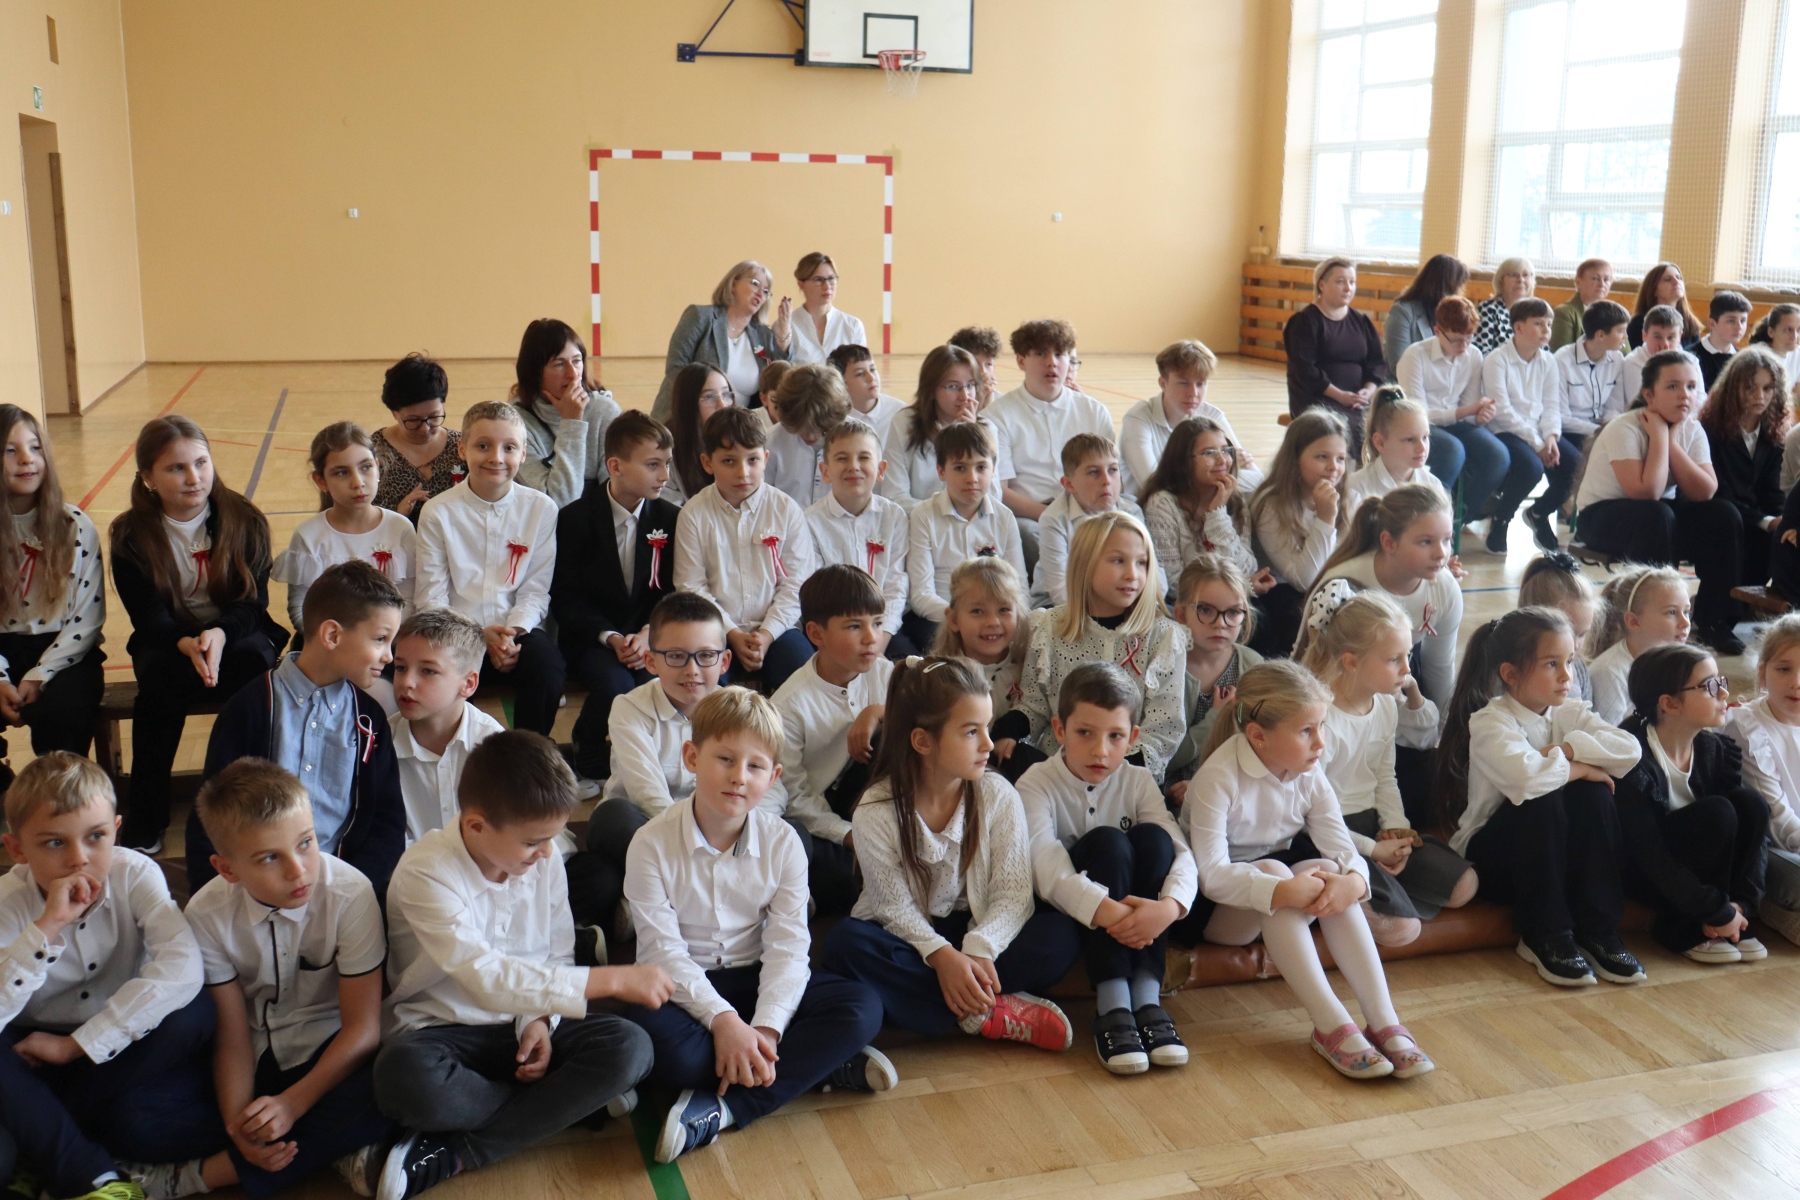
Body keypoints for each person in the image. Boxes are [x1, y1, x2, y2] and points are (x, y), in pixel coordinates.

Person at [374, 731, 670, 1196]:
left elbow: (556, 951)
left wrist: (538, 1021)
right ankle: (558, 1107)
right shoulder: (425, 872)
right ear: (476, 826)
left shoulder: (542, 859)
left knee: (632, 1047)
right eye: (534, 841)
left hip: (518, 1024)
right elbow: (486, 977)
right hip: (440, 1033)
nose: (548, 852)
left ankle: (460, 1150)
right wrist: (611, 979)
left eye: (551, 838)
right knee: (402, 1078)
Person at [624, 687, 890, 1163]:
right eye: (725, 759)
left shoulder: (784, 843)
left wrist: (765, 1031)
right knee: (657, 1047)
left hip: (755, 978)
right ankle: (814, 1066)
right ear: (692, 757)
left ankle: (726, 1107)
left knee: (862, 1008)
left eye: (755, 766)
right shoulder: (649, 843)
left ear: (774, 776)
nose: (738, 777)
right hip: (684, 989)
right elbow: (662, 954)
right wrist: (724, 1021)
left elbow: (788, 948)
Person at [1184, 660, 1432, 1080]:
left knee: (1325, 868)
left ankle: (1383, 1020)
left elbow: (1341, 847)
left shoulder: (1309, 773)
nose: (1321, 742)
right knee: (1273, 871)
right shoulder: (1218, 778)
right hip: (1218, 912)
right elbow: (1212, 875)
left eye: (1322, 726)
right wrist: (1280, 891)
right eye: (1306, 731)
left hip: (1280, 892)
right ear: (1258, 736)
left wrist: (1353, 880)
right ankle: (1330, 1024)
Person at [820, 657, 1081, 1051]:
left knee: (1059, 937)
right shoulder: (875, 810)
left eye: (988, 727)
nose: (988, 744)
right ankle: (988, 1013)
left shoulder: (997, 794)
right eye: (971, 732)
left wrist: (979, 948)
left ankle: (938, 1007)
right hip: (910, 939)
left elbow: (1013, 896)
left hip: (977, 930)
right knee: (845, 944)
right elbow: (892, 908)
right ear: (923, 741)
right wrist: (941, 957)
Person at [0, 754, 211, 1200]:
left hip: (117, 1047)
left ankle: (44, 1139)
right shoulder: (6, 900)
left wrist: (75, 1046)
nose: (79, 859)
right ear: (16, 850)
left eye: (95, 837)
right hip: (27, 1053)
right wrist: (47, 926)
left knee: (196, 1012)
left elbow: (183, 967)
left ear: (116, 830)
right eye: (53, 843)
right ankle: (90, 1171)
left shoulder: (135, 872)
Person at [180, 759, 394, 1197]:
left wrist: (291, 1105)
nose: (298, 871)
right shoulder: (205, 914)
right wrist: (239, 1123)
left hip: (332, 1055)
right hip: (255, 1057)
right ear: (227, 869)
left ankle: (200, 1176)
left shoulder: (350, 894)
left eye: (306, 843)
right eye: (270, 858)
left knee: (396, 1086)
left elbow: (362, 1030)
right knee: (141, 1121)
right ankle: (331, 1147)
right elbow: (232, 1037)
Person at [1436, 608, 1643, 987]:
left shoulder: (1569, 712)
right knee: (1544, 799)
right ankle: (1544, 934)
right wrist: (1581, 766)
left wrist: (1567, 749)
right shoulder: (1490, 722)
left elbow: (1629, 750)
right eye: (1551, 664)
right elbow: (1527, 780)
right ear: (1511, 674)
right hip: (1496, 862)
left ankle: (1597, 929)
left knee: (1595, 794)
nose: (1566, 676)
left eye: (1569, 661)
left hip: (1553, 859)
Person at [109, 415, 285, 852]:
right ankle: (147, 815)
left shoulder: (243, 518)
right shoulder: (130, 535)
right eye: (176, 468)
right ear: (148, 478)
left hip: (236, 634)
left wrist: (220, 635)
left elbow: (252, 602)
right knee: (158, 686)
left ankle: (247, 804)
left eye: (201, 463)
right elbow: (146, 614)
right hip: (169, 639)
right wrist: (184, 642)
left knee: (254, 671)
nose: (194, 477)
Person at [189, 561, 407, 896]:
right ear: (332, 635)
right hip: (258, 893)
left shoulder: (370, 720)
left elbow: (387, 824)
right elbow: (210, 817)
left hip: (344, 893)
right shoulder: (249, 709)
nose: (389, 656)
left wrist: (355, 890)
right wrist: (217, 899)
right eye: (380, 639)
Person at [1018, 664, 1195, 1074]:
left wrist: (1167, 909)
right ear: (1059, 730)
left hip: (1141, 916)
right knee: (1109, 842)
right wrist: (1115, 915)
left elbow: (1180, 852)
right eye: (1085, 732)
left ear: (1132, 738)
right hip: (1071, 912)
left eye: (1115, 736)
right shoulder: (1035, 783)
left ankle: (1146, 998)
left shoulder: (1138, 780)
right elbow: (1045, 866)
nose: (1100, 751)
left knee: (1155, 838)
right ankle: (1113, 1004)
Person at [1300, 586, 1475, 947]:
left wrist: (1396, 830)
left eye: (1408, 655)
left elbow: (1384, 775)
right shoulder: (1322, 719)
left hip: (1372, 826)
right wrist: (1371, 849)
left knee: (1464, 886)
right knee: (1402, 932)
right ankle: (1350, 893)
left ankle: (1381, 888)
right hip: (1330, 835)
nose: (1408, 669)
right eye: (1394, 659)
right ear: (1351, 662)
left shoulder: (1384, 704)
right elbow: (1311, 815)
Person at [582, 591, 737, 935]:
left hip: (715, 832)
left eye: (706, 656)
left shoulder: (738, 710)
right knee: (613, 817)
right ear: (651, 662)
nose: (692, 670)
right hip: (646, 826)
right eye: (677, 656)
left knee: (785, 830)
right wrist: (697, 850)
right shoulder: (629, 708)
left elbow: (759, 786)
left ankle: (655, 904)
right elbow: (646, 793)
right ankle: (716, 899)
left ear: (724, 661)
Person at [1575, 352, 1744, 653]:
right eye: (1673, 386)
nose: (1684, 395)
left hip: (1657, 517)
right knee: (1657, 514)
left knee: (1724, 515)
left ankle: (1713, 621)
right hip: (1600, 517)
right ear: (1649, 395)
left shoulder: (1691, 429)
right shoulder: (1625, 427)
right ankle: (1655, 620)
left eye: (1691, 387)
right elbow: (1646, 491)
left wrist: (1672, 441)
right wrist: (1659, 437)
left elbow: (1705, 491)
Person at [416, 402, 566, 733]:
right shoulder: (438, 512)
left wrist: (510, 635)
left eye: (509, 448)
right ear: (462, 449)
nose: (496, 458)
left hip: (517, 633)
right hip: (455, 635)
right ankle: (457, 752)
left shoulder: (541, 509)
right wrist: (478, 635)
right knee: (439, 678)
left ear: (523, 454)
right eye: (483, 446)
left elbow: (535, 590)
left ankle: (527, 752)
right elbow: (431, 599)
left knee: (547, 667)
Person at [1615, 645, 1769, 964]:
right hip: (1646, 876)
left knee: (1751, 803)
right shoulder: (1631, 757)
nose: (1724, 692)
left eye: (1721, 681)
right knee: (1718, 812)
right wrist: (1714, 909)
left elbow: (1750, 831)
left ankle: (1733, 921)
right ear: (1669, 703)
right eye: (1709, 685)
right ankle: (1683, 928)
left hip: (1703, 882)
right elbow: (1648, 854)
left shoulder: (1715, 749)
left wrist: (1741, 905)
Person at [550, 410, 681, 784]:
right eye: (653, 464)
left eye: (667, 463)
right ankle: (587, 741)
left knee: (656, 679)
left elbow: (673, 590)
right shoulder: (575, 519)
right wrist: (611, 637)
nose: (665, 475)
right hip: (593, 639)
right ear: (615, 466)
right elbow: (565, 597)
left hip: (649, 635)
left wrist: (648, 633)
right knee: (615, 684)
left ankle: (650, 758)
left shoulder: (671, 519)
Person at [1016, 513, 1186, 781]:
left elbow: (1164, 727)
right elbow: (1034, 705)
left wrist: (1115, 773)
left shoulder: (1164, 637)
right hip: (1057, 777)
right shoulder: (1049, 627)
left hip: (1128, 779)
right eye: (1118, 561)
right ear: (1085, 563)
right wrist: (1010, 733)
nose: (1132, 574)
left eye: (1141, 563)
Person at [769, 567, 894, 916]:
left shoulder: (884, 672)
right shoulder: (788, 705)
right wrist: (849, 834)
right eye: (854, 627)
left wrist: (876, 712)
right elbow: (795, 796)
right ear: (815, 634)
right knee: (837, 876)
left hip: (876, 801)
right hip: (821, 815)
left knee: (895, 731)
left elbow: (934, 715)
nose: (871, 638)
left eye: (877, 623)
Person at [671, 407, 817, 692]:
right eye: (729, 461)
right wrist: (733, 633)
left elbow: (797, 584)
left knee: (804, 677)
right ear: (707, 463)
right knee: (701, 685)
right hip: (714, 630)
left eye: (752, 460)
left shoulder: (786, 510)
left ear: (766, 459)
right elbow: (691, 587)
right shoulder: (694, 514)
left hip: (778, 629)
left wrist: (767, 634)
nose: (743, 472)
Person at [0, 404, 105, 757]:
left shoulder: (74, 525)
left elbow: (87, 619)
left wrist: (41, 673)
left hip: (64, 650)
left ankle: (61, 785)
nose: (26, 459)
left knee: (64, 714)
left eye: (35, 447)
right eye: (10, 450)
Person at [1303, 484, 1462, 716]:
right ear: (1389, 543)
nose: (1441, 553)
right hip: (1342, 692)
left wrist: (1442, 726)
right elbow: (1310, 659)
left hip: (1397, 674)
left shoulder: (1445, 589)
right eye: (1426, 542)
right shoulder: (1343, 584)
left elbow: (1439, 668)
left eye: (1447, 540)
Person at [987, 319, 1115, 564]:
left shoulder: (1094, 411)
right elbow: (1000, 491)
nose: (1052, 362)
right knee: (1029, 534)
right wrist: (1054, 516)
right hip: (1032, 515)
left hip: (1089, 508)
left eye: (1060, 354)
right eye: (1040, 353)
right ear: (1021, 360)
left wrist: (1083, 514)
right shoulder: (997, 416)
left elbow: (1111, 475)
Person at [274, 421, 417, 637]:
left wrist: (379, 640)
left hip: (389, 641)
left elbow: (408, 600)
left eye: (366, 467)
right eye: (341, 472)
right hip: (329, 643)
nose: (357, 482)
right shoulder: (308, 535)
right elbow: (301, 607)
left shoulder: (400, 528)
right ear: (321, 481)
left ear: (377, 467)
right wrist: (338, 642)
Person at [388, 607, 505, 843]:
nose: (407, 682)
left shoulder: (497, 748)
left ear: (468, 684)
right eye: (400, 668)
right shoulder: (379, 744)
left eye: (428, 671)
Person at [904, 421, 1028, 642]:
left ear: (993, 470)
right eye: (960, 468)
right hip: (941, 619)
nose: (972, 478)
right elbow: (921, 595)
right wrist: (963, 620)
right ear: (941, 471)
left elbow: (1020, 588)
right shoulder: (923, 516)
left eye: (981, 467)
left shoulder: (1004, 517)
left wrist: (996, 618)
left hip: (995, 621)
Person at [1247, 408, 1350, 656]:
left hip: (1326, 588)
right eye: (1322, 457)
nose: (1333, 467)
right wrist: (1325, 518)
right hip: (1279, 594)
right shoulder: (1271, 503)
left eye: (1340, 459)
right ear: (1295, 458)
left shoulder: (1346, 496)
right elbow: (1303, 580)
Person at [1482, 297, 1581, 554]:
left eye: (1549, 324)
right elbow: (1503, 411)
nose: (1546, 330)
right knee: (1530, 467)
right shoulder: (1496, 360)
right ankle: (1501, 520)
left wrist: (1550, 438)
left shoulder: (1549, 361)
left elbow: (1551, 406)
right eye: (1538, 324)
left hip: (1539, 431)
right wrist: (1537, 444)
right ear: (1518, 327)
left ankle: (1539, 512)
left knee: (1576, 466)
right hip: (1505, 430)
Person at [1724, 615, 1800, 945]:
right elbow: (1779, 823)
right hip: (1776, 848)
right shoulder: (1748, 728)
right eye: (1784, 669)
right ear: (1762, 673)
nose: (1797, 682)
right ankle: (1768, 908)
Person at [806, 417, 911, 656]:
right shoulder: (810, 522)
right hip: (835, 629)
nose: (853, 466)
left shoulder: (894, 517)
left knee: (907, 665)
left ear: (881, 470)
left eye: (863, 458)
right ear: (825, 471)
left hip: (885, 628)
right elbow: (817, 592)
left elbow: (896, 586)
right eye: (842, 458)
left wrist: (879, 640)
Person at [1163, 556, 1264, 793]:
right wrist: (1215, 718)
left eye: (1233, 612)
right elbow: (1163, 758)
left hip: (1234, 789)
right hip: (1168, 792)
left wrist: (1209, 786)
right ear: (1181, 614)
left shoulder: (1252, 667)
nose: (1221, 623)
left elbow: (1262, 747)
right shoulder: (1166, 667)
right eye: (1206, 610)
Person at [652, 261, 794, 421]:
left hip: (734, 427)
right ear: (733, 284)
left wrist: (784, 332)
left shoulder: (762, 335)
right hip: (684, 419)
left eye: (766, 291)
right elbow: (675, 368)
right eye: (755, 284)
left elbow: (780, 379)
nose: (761, 294)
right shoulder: (700, 317)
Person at [1119, 340, 1262, 499]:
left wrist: (1241, 465)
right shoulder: (1138, 420)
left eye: (1200, 384)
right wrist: (1214, 476)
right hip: (1149, 508)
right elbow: (1153, 485)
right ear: (1163, 383)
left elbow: (1259, 481)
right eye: (1184, 383)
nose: (1193, 393)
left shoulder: (1212, 416)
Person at [1699, 347, 1788, 597]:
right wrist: (1767, 521)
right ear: (1733, 388)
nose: (1759, 396)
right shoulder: (1710, 429)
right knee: (1738, 527)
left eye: (1768, 388)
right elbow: (1719, 491)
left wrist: (1785, 520)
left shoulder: (1774, 431)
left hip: (1755, 515)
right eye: (1750, 388)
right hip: (1720, 515)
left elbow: (1772, 491)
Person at [1396, 296, 1499, 508]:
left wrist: (1480, 415)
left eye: (1469, 339)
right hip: (1420, 426)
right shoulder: (1415, 355)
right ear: (1437, 331)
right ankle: (1429, 511)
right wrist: (1468, 411)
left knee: (1497, 455)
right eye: (1456, 340)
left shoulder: (1473, 355)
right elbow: (1418, 414)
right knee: (1452, 450)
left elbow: (1469, 406)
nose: (1464, 346)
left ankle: (1459, 514)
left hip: (1455, 422)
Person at [1037, 433, 1162, 609]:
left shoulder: (1131, 512)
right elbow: (1059, 589)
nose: (1106, 481)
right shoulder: (1054, 520)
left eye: (1113, 470)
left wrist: (1147, 608)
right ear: (1069, 484)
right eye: (1094, 472)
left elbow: (1154, 572)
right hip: (1063, 605)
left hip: (1124, 601)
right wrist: (1106, 615)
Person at [1283, 257, 1389, 461]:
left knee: (1392, 421)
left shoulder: (1362, 322)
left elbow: (1376, 363)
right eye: (1340, 281)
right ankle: (1349, 474)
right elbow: (1305, 370)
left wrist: (1368, 391)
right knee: (1352, 425)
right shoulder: (1304, 322)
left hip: (1359, 400)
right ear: (1322, 285)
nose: (1348, 288)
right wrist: (1340, 396)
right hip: (1318, 399)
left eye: (1352, 282)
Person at [507, 318, 620, 508]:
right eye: (559, 364)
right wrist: (572, 423)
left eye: (577, 361)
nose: (573, 374)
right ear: (534, 372)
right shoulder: (515, 424)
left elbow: (615, 497)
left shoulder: (605, 413)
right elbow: (558, 502)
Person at [880, 344, 1006, 512]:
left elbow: (994, 498)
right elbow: (894, 497)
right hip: (918, 522)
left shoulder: (987, 429)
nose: (965, 396)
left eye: (970, 385)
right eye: (953, 387)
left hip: (970, 523)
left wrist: (971, 438)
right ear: (931, 390)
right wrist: (942, 515)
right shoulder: (905, 423)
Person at [933, 557, 1030, 775]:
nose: (993, 622)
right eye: (977, 611)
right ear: (953, 619)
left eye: (1004, 610)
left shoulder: (1028, 669)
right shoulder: (939, 675)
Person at [1586, 566, 1691, 726]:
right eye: (1671, 612)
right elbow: (1607, 736)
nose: (1685, 623)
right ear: (1634, 621)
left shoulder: (1677, 661)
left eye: (1686, 612)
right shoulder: (1610, 672)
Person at [372, 353, 462, 524]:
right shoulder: (374, 452)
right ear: (394, 413)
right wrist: (398, 516)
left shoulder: (463, 447)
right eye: (413, 420)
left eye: (434, 416)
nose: (425, 428)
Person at [1343, 389, 1452, 515]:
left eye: (1425, 437)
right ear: (1380, 443)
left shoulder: (1433, 485)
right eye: (1410, 439)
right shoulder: (1357, 487)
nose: (1422, 448)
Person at [763, 363, 850, 510]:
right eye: (800, 428)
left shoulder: (856, 438)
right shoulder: (771, 442)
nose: (809, 436)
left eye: (818, 429)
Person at [1517, 551, 1600, 704]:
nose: (1575, 645)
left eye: (1582, 635)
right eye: (1570, 633)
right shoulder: (1514, 676)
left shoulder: (1578, 669)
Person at [1553, 300, 1630, 443]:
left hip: (1603, 431)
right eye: (1620, 331)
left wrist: (1609, 428)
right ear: (1600, 335)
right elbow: (1561, 417)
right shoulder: (1562, 360)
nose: (1625, 336)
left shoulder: (1617, 359)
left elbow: (1614, 407)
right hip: (1571, 432)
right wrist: (1598, 431)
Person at [1382, 253, 1470, 373]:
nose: (1460, 293)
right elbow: (1399, 365)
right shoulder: (1402, 312)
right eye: (1459, 287)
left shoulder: (1451, 314)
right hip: (1409, 382)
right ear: (1446, 288)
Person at [663, 363, 735, 507]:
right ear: (688, 403)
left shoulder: (740, 437)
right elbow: (668, 508)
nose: (722, 405)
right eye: (709, 397)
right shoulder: (667, 448)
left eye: (726, 394)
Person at [787, 252, 867, 365]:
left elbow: (861, 369)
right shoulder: (788, 326)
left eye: (831, 279)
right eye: (818, 280)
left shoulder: (853, 326)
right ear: (801, 284)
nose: (827, 286)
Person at [1621, 304, 1698, 411]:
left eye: (1671, 337)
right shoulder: (1633, 363)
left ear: (1680, 337)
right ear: (1644, 336)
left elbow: (1700, 400)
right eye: (1657, 337)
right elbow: (1640, 406)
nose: (1664, 344)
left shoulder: (1691, 361)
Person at [825, 343, 905, 442]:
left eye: (872, 369)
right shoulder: (831, 418)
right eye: (860, 374)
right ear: (840, 382)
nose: (871, 378)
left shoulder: (899, 412)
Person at [1626, 262, 1702, 348]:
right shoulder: (1639, 322)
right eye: (1667, 279)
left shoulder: (1689, 321)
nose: (1676, 282)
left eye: (1679, 278)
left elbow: (1696, 354)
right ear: (1654, 290)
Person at [1691, 290, 1753, 392]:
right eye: (1731, 321)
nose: (1739, 327)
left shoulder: (1743, 359)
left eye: (1743, 321)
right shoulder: (1692, 356)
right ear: (1712, 323)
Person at [1473, 257, 1535, 354]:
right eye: (1514, 275)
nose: (1520, 280)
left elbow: (1544, 352)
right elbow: (1482, 352)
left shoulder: (1535, 313)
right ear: (1501, 280)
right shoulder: (1488, 309)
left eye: (1525, 275)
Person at [1550, 258, 1614, 351]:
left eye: (1606, 280)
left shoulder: (1614, 315)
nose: (1602, 284)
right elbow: (1560, 354)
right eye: (1595, 279)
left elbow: (1626, 353)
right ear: (1578, 282)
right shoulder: (1564, 314)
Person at [948, 326, 1004, 407]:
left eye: (988, 364)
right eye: (975, 364)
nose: (983, 371)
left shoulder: (1004, 403)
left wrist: (988, 398)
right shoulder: (951, 399)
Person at [1751, 302, 1800, 394]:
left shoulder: (1798, 354)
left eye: (1799, 330)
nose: (1795, 336)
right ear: (1771, 332)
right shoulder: (1756, 356)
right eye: (1788, 330)